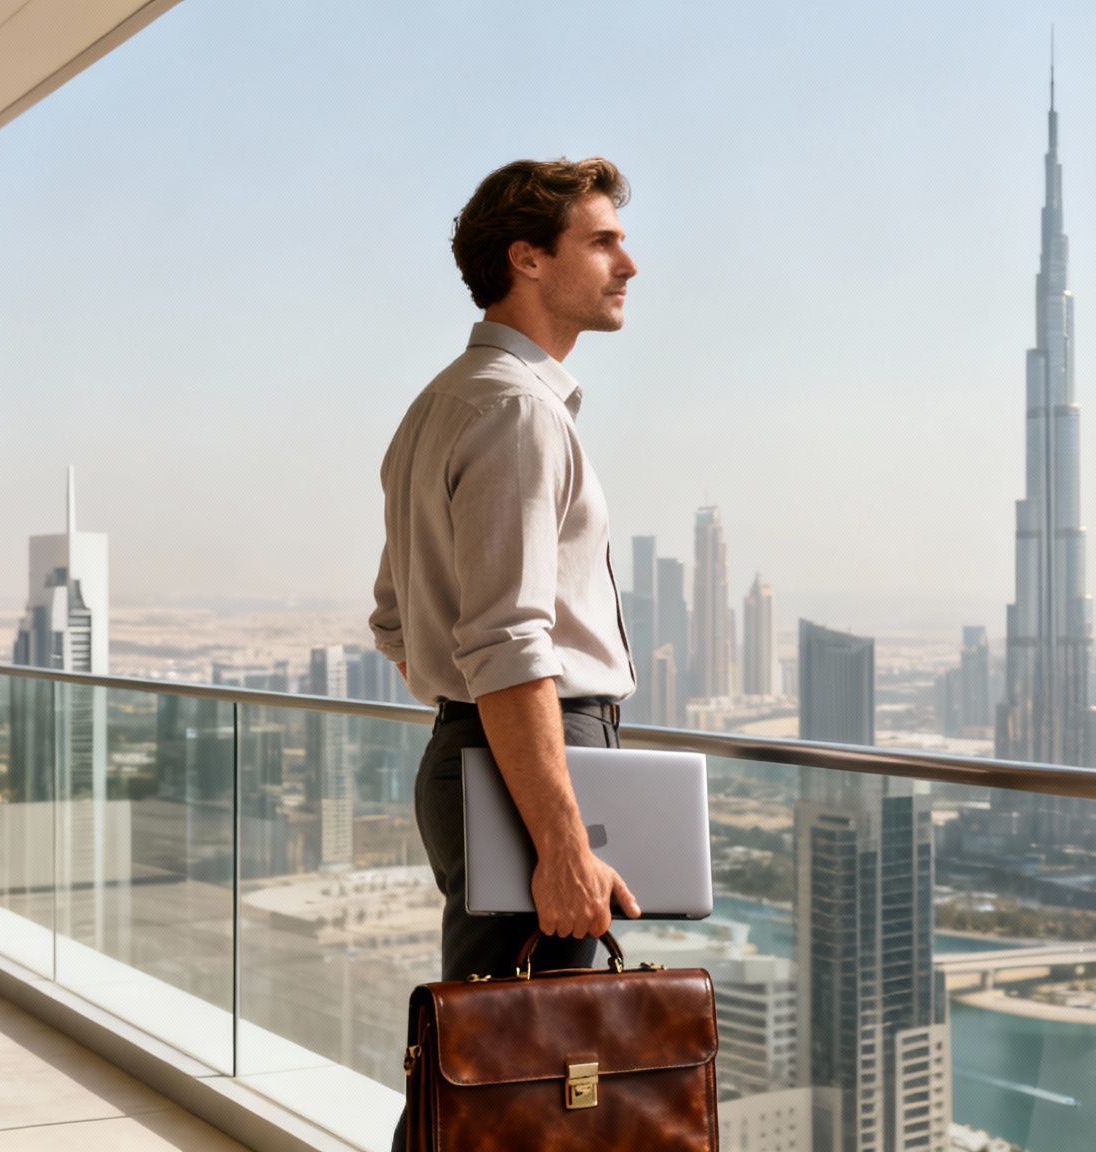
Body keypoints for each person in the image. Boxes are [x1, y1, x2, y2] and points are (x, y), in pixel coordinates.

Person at [370, 157, 642, 1144]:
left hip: (494, 754)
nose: (630, 263)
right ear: (528, 258)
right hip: (532, 762)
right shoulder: (515, 409)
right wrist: (563, 842)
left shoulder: (445, 402)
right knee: (516, 1079)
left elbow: (395, 618)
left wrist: (466, 713)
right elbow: (507, 643)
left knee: (492, 1065)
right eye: (602, 240)